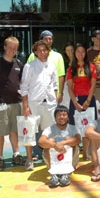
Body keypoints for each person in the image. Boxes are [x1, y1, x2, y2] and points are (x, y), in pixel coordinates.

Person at [20, 40, 58, 171]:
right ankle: (29, 159)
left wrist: (55, 101)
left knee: (48, 133)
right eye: (39, 50)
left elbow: (54, 85)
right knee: (30, 132)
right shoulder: (29, 66)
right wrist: (25, 106)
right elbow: (24, 87)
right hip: (33, 104)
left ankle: (48, 158)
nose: (42, 52)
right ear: (35, 52)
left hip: (49, 104)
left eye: (44, 50)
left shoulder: (52, 66)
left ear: (48, 51)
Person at [0, 36, 25, 171]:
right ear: (4, 47)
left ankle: (16, 154)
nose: (12, 50)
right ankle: (0, 158)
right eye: (9, 47)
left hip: (16, 104)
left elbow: (22, 84)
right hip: (1, 104)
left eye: (14, 48)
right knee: (0, 132)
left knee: (14, 131)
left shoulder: (19, 64)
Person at [67, 43, 97, 160]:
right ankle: (75, 154)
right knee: (76, 127)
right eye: (78, 51)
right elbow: (69, 87)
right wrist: (75, 103)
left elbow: (93, 84)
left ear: (86, 53)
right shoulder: (71, 69)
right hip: (76, 100)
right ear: (74, 54)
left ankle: (86, 152)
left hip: (89, 99)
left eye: (82, 51)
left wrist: (88, 101)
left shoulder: (91, 67)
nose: (80, 54)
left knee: (88, 126)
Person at [38, 105, 81, 188]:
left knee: (70, 140)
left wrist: (63, 143)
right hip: (54, 158)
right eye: (59, 115)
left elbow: (78, 140)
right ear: (55, 117)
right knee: (49, 141)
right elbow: (40, 141)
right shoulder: (49, 129)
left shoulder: (73, 128)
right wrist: (54, 145)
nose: (61, 117)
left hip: (68, 157)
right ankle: (53, 173)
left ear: (68, 117)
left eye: (64, 115)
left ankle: (66, 173)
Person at [27, 30, 65, 103]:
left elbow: (61, 76)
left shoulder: (58, 56)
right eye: (45, 39)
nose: (48, 41)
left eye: (50, 39)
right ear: (41, 40)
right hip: (35, 96)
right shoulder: (32, 56)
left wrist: (60, 93)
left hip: (52, 95)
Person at [62, 42, 74, 109]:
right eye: (68, 50)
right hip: (66, 88)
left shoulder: (79, 61)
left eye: (72, 50)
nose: (70, 52)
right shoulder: (63, 62)